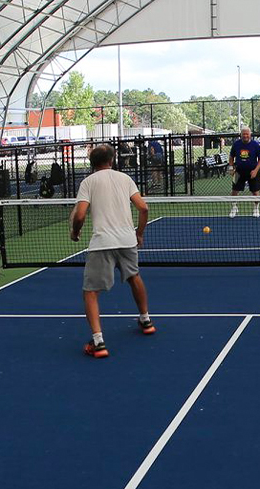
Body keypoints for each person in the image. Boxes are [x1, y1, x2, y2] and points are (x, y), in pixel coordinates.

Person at [69, 144, 156, 358]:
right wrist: (139, 233)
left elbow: (80, 215)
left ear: (92, 163)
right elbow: (143, 208)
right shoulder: (125, 179)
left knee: (90, 291)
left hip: (102, 243)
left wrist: (75, 231)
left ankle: (98, 342)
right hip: (127, 240)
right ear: (112, 159)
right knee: (134, 276)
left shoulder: (88, 182)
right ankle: (146, 320)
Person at [228, 127, 260, 217]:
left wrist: (255, 171)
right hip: (238, 172)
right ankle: (234, 207)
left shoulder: (255, 145)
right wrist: (231, 168)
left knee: (255, 192)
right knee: (234, 191)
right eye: (243, 134)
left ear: (250, 135)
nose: (245, 136)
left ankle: (256, 208)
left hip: (253, 172)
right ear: (241, 135)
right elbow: (231, 157)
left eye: (247, 134)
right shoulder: (236, 144)